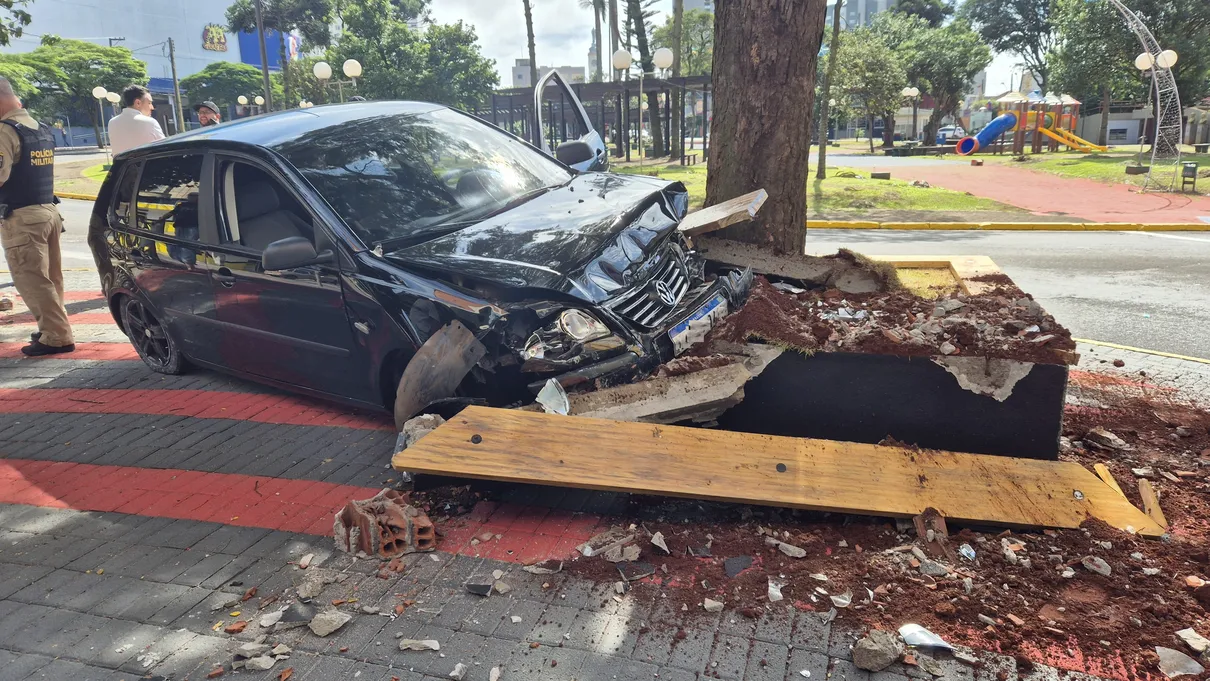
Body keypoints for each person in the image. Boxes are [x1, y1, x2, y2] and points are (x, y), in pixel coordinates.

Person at [0, 77, 74, 355]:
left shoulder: (4, 132)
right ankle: (53, 328)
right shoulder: (39, 128)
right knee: (52, 278)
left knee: (31, 278)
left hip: (23, 218)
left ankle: (56, 336)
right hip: (48, 212)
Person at [107, 85, 164, 155]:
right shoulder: (150, 122)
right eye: (149, 103)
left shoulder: (112, 122)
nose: (152, 107)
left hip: (122, 165)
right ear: (138, 103)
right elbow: (165, 149)